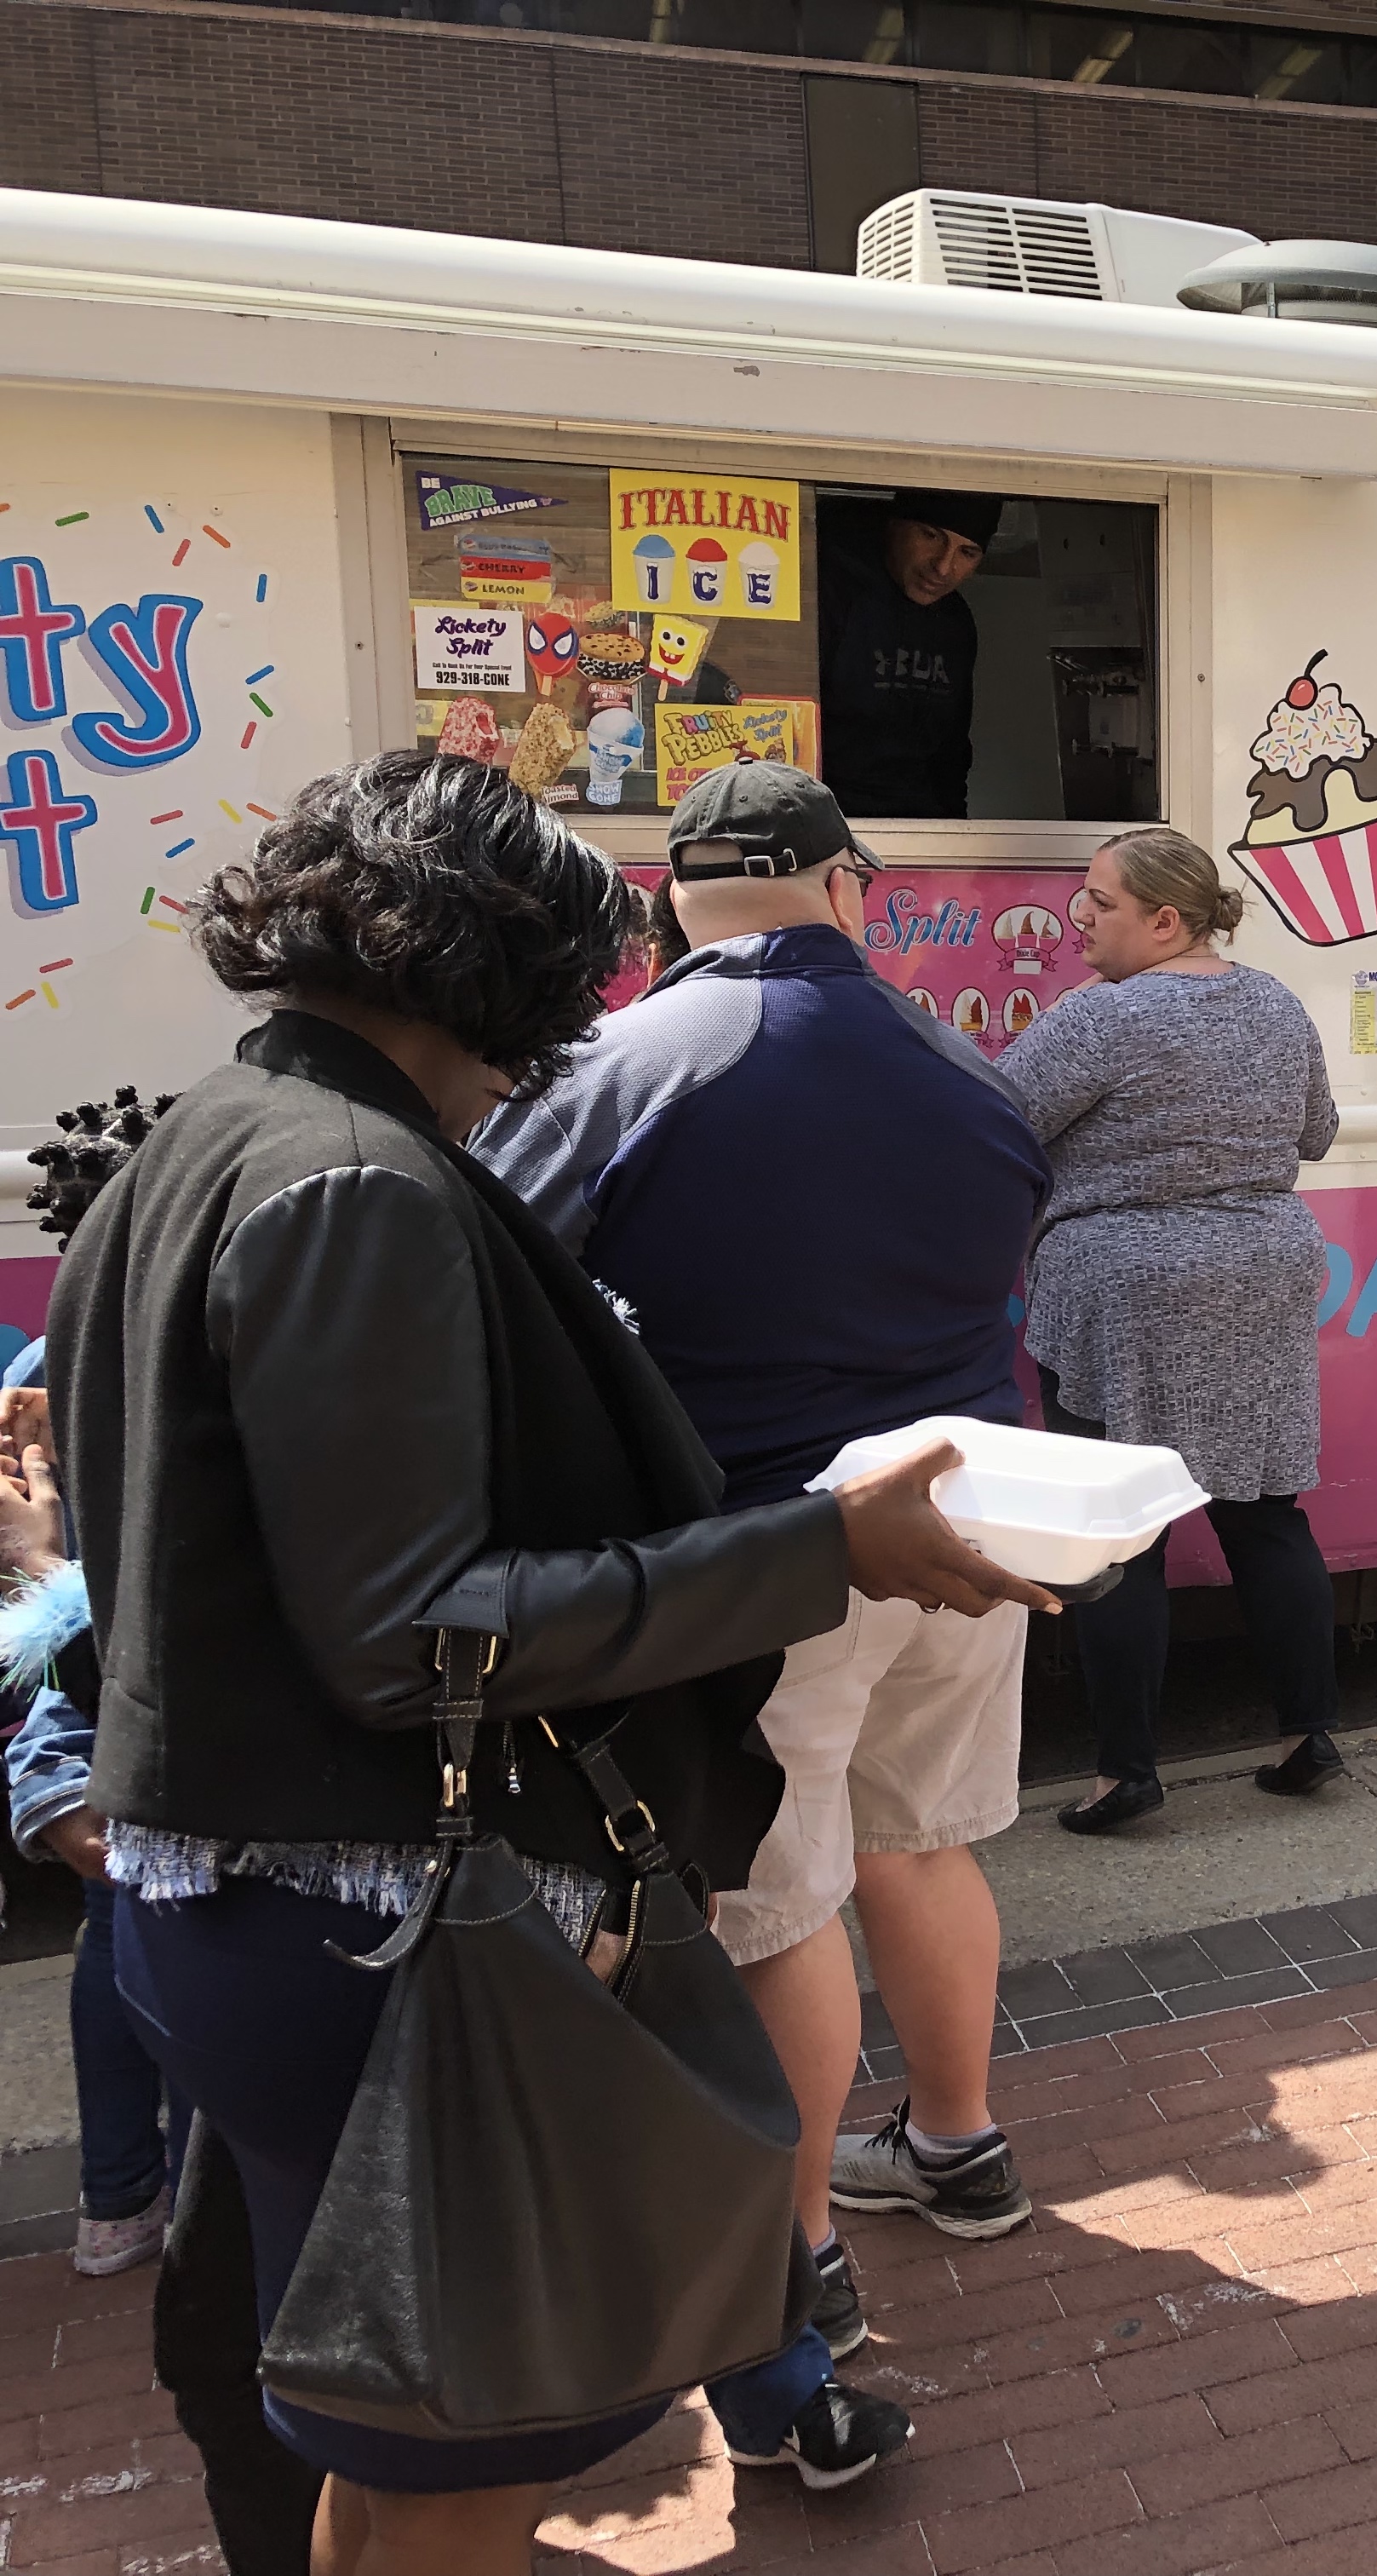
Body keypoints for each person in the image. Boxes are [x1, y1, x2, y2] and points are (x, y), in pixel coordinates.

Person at [48, 750, 1051, 2575]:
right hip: (366, 1925)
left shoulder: (210, 1138)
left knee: (387, 2411)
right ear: (497, 960)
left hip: (234, 1896)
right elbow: (417, 1627)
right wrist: (824, 1551)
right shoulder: (358, 1182)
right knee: (470, 2445)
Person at [476, 762, 1054, 2372]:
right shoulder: (970, 1063)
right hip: (958, 1525)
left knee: (773, 1908)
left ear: (673, 900)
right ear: (850, 886)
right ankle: (957, 2142)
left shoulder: (620, 1057)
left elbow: (505, 1267)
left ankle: (799, 2267)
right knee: (923, 1843)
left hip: (755, 1555)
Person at [997, 826, 1346, 1834]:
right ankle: (1307, 1734)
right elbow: (1315, 1133)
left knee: (1122, 1531)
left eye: (1099, 904)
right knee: (1266, 1511)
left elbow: (997, 1117)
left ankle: (1126, 1774)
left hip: (1125, 1292)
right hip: (1263, 1274)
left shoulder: (1100, 1018)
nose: (1078, 921)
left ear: (1166, 919)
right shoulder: (1277, 1003)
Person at [0, 1337, 178, 2279]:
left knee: (117, 1938)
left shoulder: (51, 1347)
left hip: (99, 1717)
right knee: (171, 1943)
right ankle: (185, 2206)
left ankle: (119, 2204)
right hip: (141, 1711)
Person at [818, 487, 998, 818]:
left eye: (967, 553)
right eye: (930, 535)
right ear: (894, 526)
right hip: (825, 819)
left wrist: (953, 832)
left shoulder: (955, 621)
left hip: (921, 824)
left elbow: (952, 748)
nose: (944, 567)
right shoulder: (830, 594)